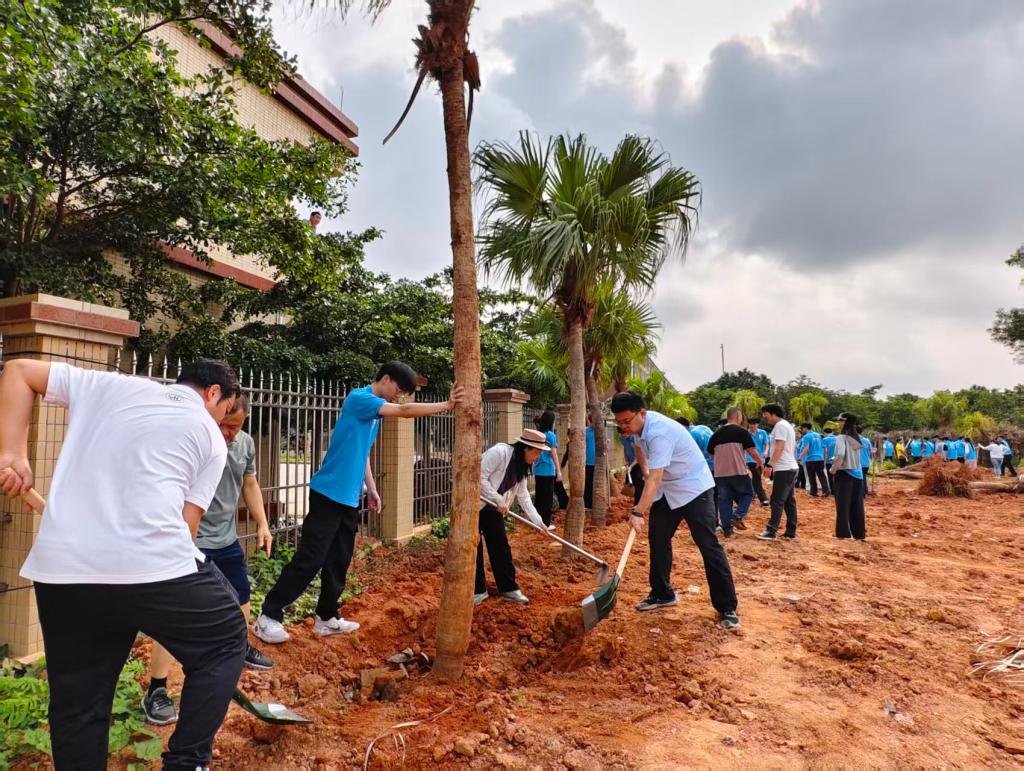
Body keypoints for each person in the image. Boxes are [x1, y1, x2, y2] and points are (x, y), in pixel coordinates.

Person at [0, 358, 244, 770]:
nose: (222, 422)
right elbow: (186, 529)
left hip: (64, 569)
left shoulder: (108, 385)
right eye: (225, 412)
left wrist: (12, 454)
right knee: (224, 641)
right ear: (214, 393)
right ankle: (187, 762)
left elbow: (19, 371)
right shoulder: (208, 434)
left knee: (79, 703)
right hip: (152, 567)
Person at [254, 362, 463, 644]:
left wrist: (371, 489)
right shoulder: (360, 399)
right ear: (385, 379)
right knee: (311, 558)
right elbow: (404, 412)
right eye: (399, 389)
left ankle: (326, 617)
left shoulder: (374, 414)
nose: (399, 397)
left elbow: (362, 453)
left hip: (349, 497)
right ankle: (268, 616)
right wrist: (447, 405)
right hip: (328, 494)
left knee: (339, 559)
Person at [144, 395, 274, 727]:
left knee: (241, 600)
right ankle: (156, 689)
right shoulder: (195, 440)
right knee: (174, 616)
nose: (230, 432)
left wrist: (262, 523)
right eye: (225, 425)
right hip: (190, 540)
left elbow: (249, 483)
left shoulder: (244, 444)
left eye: (236, 426)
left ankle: (239, 649)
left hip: (226, 540)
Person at [611, 392, 740, 630]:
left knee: (708, 544)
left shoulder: (659, 432)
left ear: (642, 413)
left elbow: (656, 478)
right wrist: (645, 470)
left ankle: (727, 607)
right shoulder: (638, 429)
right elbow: (640, 452)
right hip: (668, 490)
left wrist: (638, 511)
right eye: (619, 423)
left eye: (626, 421)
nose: (624, 427)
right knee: (658, 538)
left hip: (694, 488)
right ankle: (662, 593)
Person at [475, 430, 550, 605]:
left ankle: (508, 588)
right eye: (537, 452)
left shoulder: (521, 467)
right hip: (475, 504)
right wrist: (497, 498)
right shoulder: (500, 452)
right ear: (525, 448)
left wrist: (538, 522)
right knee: (474, 547)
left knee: (500, 546)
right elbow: (479, 476)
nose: (538, 457)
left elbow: (524, 497)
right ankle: (477, 590)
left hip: (493, 508)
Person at [707, 408, 761, 536]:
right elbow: (751, 450)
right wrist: (760, 462)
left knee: (724, 500)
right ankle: (737, 516)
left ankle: (727, 529)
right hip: (738, 471)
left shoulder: (716, 434)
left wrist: (722, 459)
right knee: (749, 493)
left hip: (720, 473)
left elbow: (710, 453)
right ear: (738, 417)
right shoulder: (742, 431)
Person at [758, 403, 800, 541]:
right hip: (790, 467)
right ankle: (791, 531)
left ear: (773, 413)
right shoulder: (786, 425)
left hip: (784, 468)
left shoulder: (780, 426)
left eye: (766, 414)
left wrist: (770, 465)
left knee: (777, 500)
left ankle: (771, 530)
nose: (765, 417)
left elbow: (780, 447)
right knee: (789, 501)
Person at [831, 413, 866, 540]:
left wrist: (833, 469)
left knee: (843, 505)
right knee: (857, 506)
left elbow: (840, 455)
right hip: (857, 474)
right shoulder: (856, 438)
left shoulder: (841, 437)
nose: (838, 422)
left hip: (844, 474)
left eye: (840, 420)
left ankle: (843, 533)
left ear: (845, 422)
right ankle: (859, 534)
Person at [531, 410, 562, 529]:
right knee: (547, 499)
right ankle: (546, 524)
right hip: (548, 470)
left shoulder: (538, 434)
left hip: (538, 470)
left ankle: (536, 522)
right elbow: (553, 454)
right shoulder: (550, 436)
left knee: (539, 497)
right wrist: (558, 471)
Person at [797, 422, 829, 498]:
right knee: (822, 476)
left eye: (802, 428)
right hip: (820, 458)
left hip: (810, 459)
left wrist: (800, 457)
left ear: (805, 428)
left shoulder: (806, 436)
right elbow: (825, 449)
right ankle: (826, 491)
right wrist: (824, 459)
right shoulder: (819, 435)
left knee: (811, 476)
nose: (802, 430)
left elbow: (806, 448)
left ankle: (813, 492)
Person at [746, 417, 770, 506]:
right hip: (750, 459)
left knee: (756, 477)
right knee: (757, 476)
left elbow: (767, 444)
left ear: (757, 424)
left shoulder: (762, 433)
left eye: (754, 424)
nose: (752, 426)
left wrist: (766, 452)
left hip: (761, 459)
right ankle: (763, 499)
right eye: (750, 424)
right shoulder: (746, 433)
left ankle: (752, 494)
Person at [622, 431, 646, 505]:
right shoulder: (623, 438)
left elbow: (638, 457)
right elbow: (625, 449)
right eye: (622, 434)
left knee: (639, 483)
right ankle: (635, 500)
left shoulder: (634, 439)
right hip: (630, 463)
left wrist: (631, 466)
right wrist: (626, 461)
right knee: (631, 483)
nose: (624, 435)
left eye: (625, 433)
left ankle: (638, 503)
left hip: (639, 463)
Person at [583, 414, 596, 509]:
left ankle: (595, 503)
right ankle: (587, 504)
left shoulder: (600, 432)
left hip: (598, 463)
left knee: (596, 484)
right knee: (587, 483)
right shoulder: (585, 431)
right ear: (590, 421)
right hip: (587, 462)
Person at [859, 429, 874, 497]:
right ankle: (865, 491)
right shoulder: (867, 440)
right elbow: (871, 451)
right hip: (866, 463)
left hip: (858, 463)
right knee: (864, 477)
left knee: (860, 478)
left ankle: (862, 493)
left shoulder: (854, 440)